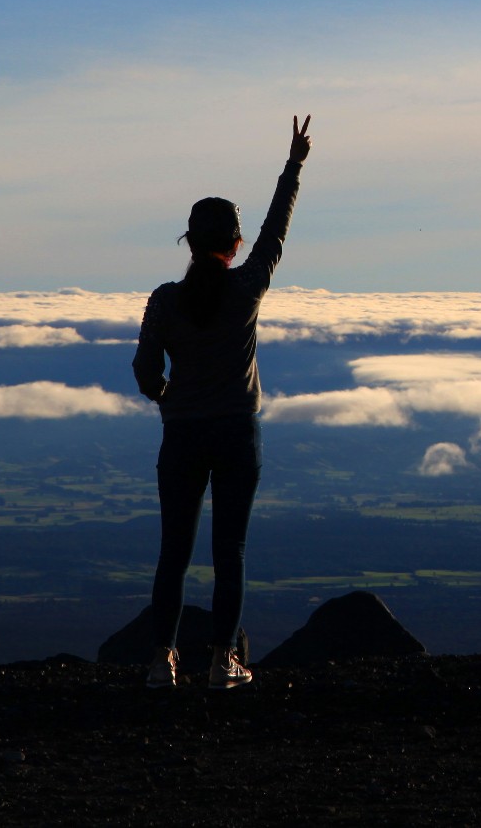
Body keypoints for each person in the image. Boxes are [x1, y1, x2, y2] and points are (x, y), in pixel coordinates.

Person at [131, 115, 312, 690]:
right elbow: (276, 232)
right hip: (237, 431)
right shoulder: (247, 287)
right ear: (234, 244)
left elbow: (144, 371)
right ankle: (221, 662)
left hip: (182, 435)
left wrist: (168, 398)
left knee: (173, 551)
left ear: (189, 241)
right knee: (228, 550)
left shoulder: (164, 301)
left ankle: (163, 661)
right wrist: (293, 165)